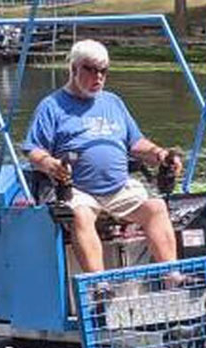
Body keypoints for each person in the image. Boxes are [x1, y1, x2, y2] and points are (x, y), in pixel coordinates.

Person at [22, 39, 183, 275]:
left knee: (156, 207)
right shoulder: (52, 106)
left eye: (103, 71)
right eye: (91, 69)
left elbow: (135, 143)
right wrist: (50, 164)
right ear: (74, 69)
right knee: (81, 213)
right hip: (78, 190)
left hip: (118, 188)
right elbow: (33, 150)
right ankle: (98, 285)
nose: (98, 77)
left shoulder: (113, 102)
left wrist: (160, 154)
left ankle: (173, 276)